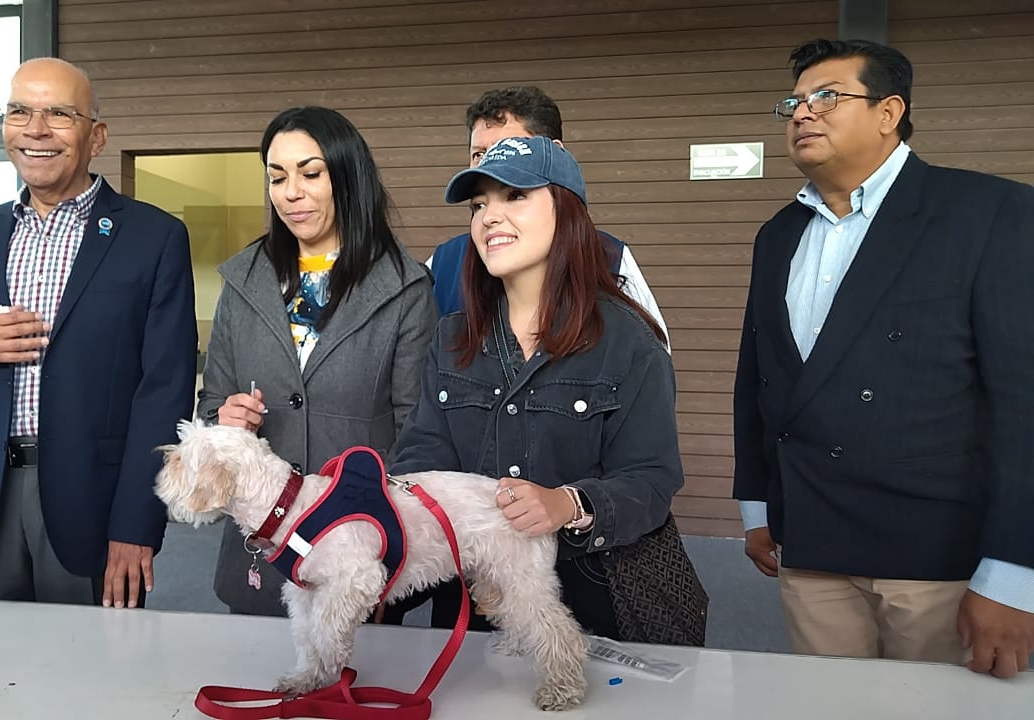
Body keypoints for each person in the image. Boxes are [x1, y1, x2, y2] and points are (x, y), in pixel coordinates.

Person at [734, 39, 1034, 677]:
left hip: (940, 555)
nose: (802, 113)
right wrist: (758, 507)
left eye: (826, 97)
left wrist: (1014, 574)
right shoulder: (778, 234)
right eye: (794, 101)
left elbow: (1024, 403)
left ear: (888, 112)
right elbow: (758, 379)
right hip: (811, 540)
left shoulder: (988, 214)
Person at [391, 136, 707, 644]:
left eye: (514, 196)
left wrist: (568, 504)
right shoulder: (451, 339)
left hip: (592, 596)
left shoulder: (629, 343)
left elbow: (652, 479)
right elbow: (421, 456)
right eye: (479, 205)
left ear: (567, 212)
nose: (490, 217)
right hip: (473, 598)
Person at [0, 58, 197, 608]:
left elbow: (163, 393)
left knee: (92, 656)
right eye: (19, 111)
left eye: (59, 114)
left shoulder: (153, 237)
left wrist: (136, 522)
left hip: (94, 500)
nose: (36, 129)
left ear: (97, 136)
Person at [199, 106, 437, 617]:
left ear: (348, 178)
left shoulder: (404, 289)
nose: (291, 192)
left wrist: (384, 547)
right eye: (277, 177)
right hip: (260, 544)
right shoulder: (243, 282)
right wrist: (224, 420)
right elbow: (211, 406)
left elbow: (417, 435)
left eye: (310, 174)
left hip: (356, 547)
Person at [427, 86, 667, 346]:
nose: (491, 163)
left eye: (508, 148)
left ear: (556, 155)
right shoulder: (442, 264)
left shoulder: (613, 261)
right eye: (478, 154)